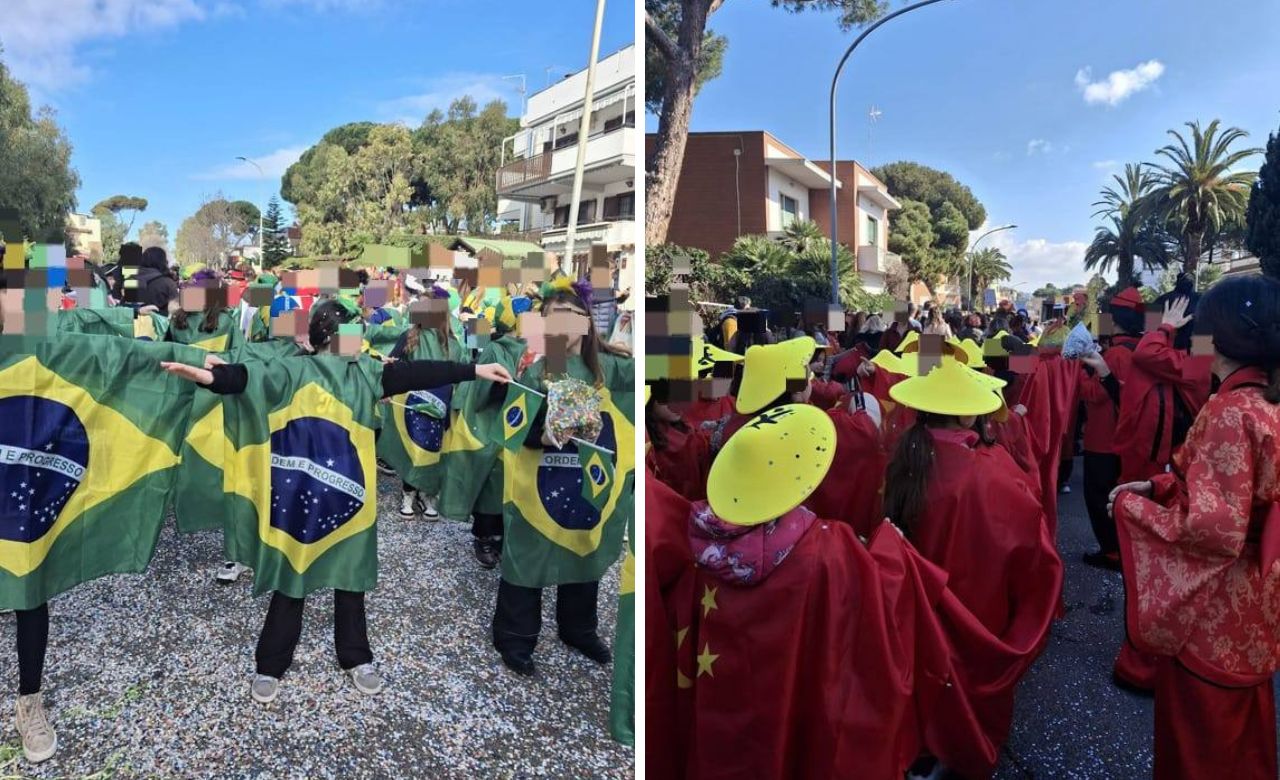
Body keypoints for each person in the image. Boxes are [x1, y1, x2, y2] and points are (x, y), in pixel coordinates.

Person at [161, 299, 512, 702]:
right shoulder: (293, 369)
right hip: (299, 496)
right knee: (293, 577)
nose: (360, 337)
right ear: (331, 337)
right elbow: (243, 378)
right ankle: (270, 663)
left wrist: (474, 370)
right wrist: (209, 379)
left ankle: (356, 657)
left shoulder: (366, 373)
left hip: (352, 498)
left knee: (351, 579)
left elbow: (417, 373)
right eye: (353, 331)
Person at [657, 403, 927, 778]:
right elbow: (882, 592)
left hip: (722, 712)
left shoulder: (700, 540)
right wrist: (889, 543)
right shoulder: (826, 549)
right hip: (789, 704)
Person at [1109, 274, 1280, 780]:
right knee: (1244, 740)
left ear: (1215, 336)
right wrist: (1161, 488)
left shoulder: (1231, 409)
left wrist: (1136, 511)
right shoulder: (1265, 401)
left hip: (1216, 605)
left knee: (1202, 747)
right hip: (1259, 600)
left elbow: (1212, 529)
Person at [882, 357, 1063, 777]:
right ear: (967, 411)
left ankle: (923, 752)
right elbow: (1032, 551)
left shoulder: (903, 455)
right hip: (980, 606)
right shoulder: (991, 469)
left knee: (926, 684)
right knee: (972, 694)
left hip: (919, 606)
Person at [489, 281, 633, 676]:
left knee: (582, 552)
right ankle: (514, 639)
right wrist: (543, 435)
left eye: (573, 319)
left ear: (587, 324)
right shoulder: (533, 371)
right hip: (535, 485)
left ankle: (578, 629)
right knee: (527, 561)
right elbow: (511, 424)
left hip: (587, 484)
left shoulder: (613, 368)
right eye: (555, 319)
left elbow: (661, 380)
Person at [1074, 286, 1144, 570]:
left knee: (1099, 497)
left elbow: (1094, 394)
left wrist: (1079, 373)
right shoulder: (1140, 348)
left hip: (1103, 438)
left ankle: (1112, 552)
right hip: (1125, 437)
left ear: (1114, 319)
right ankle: (1123, 548)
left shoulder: (1115, 355)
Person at [385, 287, 466, 520]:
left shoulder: (453, 344)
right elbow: (394, 364)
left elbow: (462, 374)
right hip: (413, 403)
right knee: (414, 448)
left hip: (441, 404)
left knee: (435, 450)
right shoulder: (409, 337)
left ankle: (429, 493)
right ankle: (408, 493)